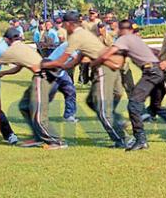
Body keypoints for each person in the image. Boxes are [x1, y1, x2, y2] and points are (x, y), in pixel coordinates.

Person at [42, 11, 128, 148]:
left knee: (102, 110)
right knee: (91, 102)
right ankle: (118, 122)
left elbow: (62, 59)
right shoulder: (84, 33)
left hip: (103, 68)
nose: (63, 26)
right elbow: (76, 59)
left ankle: (122, 139)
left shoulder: (76, 36)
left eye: (64, 23)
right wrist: (63, 66)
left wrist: (43, 64)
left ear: (69, 24)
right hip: (111, 68)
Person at [0, 27, 67, 150]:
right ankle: (38, 137)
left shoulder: (10, 51)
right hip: (43, 76)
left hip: (43, 78)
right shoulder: (23, 47)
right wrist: (5, 73)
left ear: (7, 39)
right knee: (24, 106)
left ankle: (56, 141)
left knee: (38, 114)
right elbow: (19, 67)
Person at [112, 20, 166, 151]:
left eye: (138, 32)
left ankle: (140, 139)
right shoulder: (136, 42)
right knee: (155, 107)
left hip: (152, 73)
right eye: (136, 31)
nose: (137, 34)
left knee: (133, 104)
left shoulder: (127, 40)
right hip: (160, 73)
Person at [45, 42, 78, 122]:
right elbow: (76, 58)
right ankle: (34, 113)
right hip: (51, 71)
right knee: (47, 96)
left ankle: (68, 115)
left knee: (71, 91)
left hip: (61, 72)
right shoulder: (69, 45)